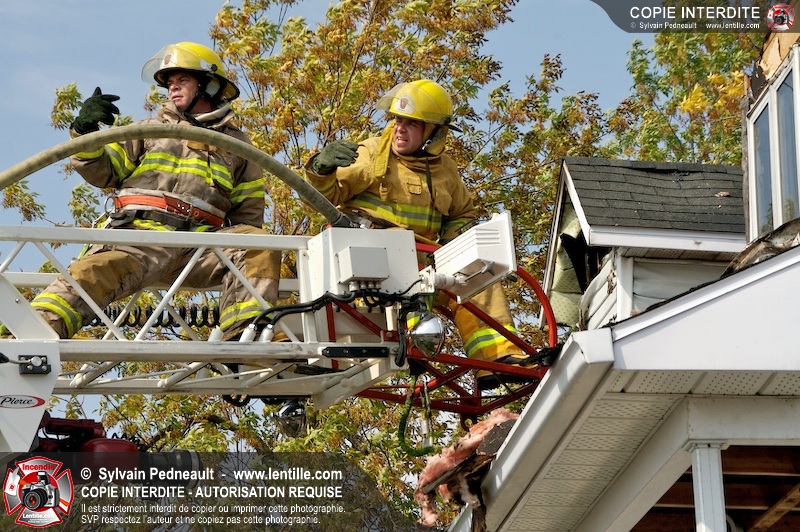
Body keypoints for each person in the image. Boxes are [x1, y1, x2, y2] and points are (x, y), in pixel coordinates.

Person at [30, 42, 280, 340]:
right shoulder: (147, 131)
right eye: (169, 82)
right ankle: (26, 339)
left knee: (258, 245)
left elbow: (248, 217)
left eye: (182, 80)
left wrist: (248, 244)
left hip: (199, 249)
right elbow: (102, 171)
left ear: (210, 86)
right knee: (88, 276)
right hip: (139, 241)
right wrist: (85, 135)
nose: (173, 88)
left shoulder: (238, 147)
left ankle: (246, 337)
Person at [303, 79, 535, 391]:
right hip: (375, 268)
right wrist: (321, 169)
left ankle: (498, 358)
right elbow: (322, 198)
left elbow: (462, 213)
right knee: (411, 276)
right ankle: (415, 340)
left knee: (480, 279)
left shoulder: (445, 171)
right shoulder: (371, 154)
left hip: (427, 264)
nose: (400, 129)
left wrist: (455, 243)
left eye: (412, 123)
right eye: (398, 120)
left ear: (434, 132)